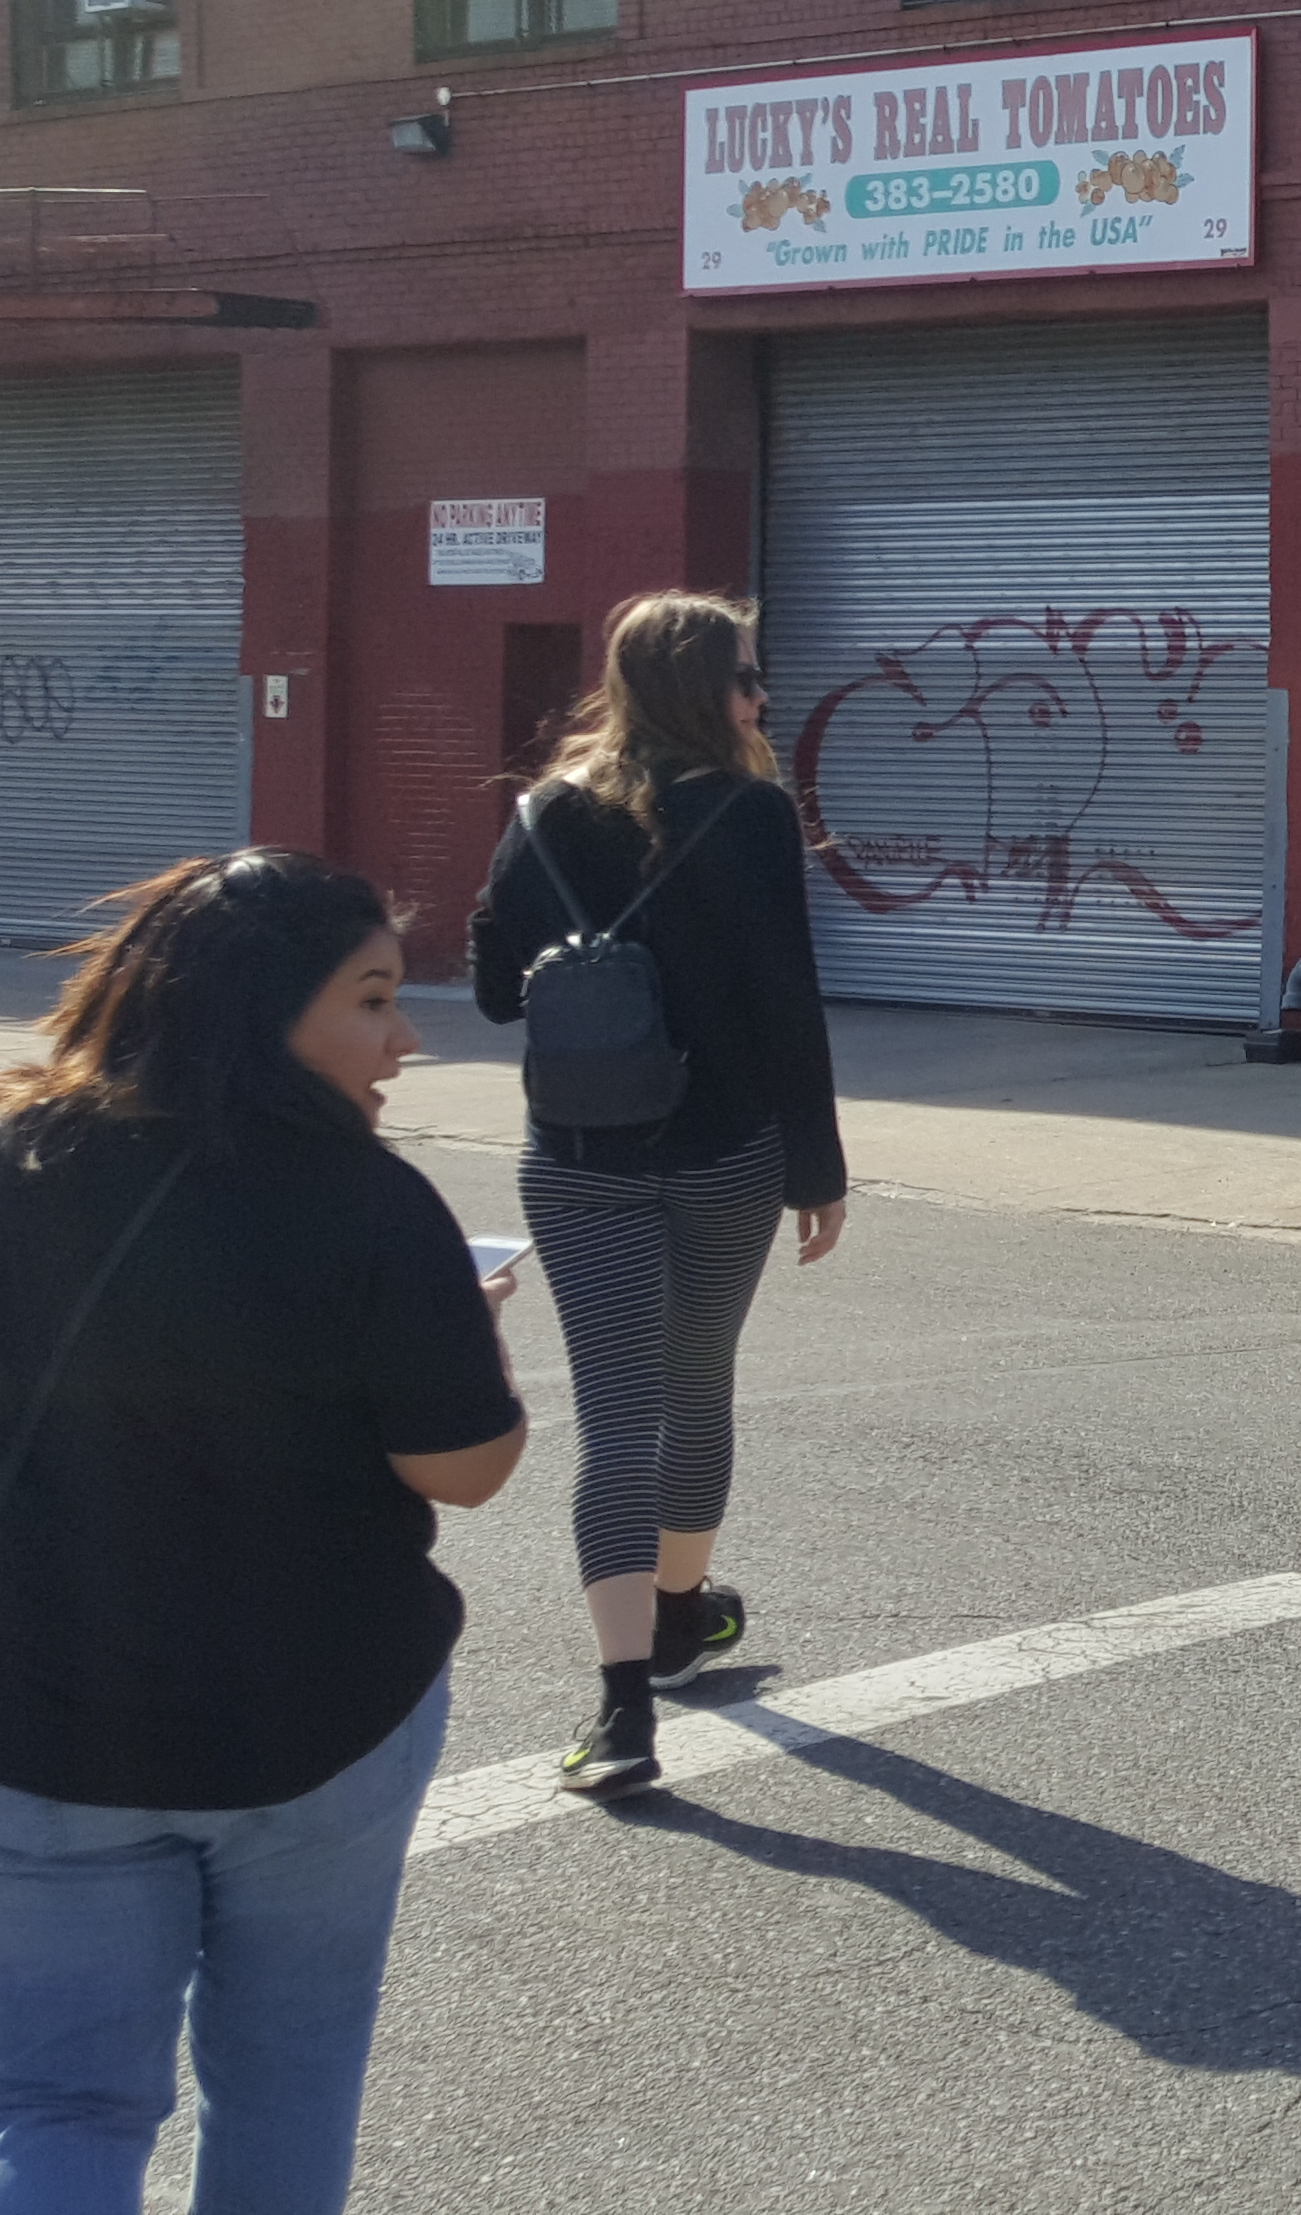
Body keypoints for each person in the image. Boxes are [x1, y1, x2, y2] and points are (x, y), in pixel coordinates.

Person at [0, 850, 528, 2215]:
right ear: (258, 1007)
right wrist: (476, 1340)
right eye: (373, 998)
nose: (404, 1041)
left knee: (50, 2100)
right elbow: (463, 1469)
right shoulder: (367, 1200)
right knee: (287, 2079)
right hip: (322, 1720)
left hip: (31, 1732)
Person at [468, 590, 850, 1801]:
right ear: (700, 690)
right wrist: (817, 1168)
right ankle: (680, 1613)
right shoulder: (748, 812)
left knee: (617, 1419)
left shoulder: (542, 811)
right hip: (723, 1152)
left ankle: (624, 1705)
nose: (760, 698)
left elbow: (491, 989)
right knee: (695, 1388)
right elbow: (786, 997)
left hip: (578, 1158)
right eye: (746, 677)